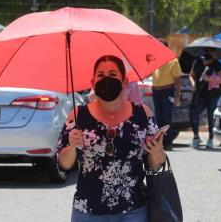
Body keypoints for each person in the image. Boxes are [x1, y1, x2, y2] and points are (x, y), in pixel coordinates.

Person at [54, 55, 166, 222]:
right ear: (93, 82)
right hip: (88, 211)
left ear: (124, 82)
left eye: (113, 74)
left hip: (133, 209)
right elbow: (62, 165)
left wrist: (157, 151)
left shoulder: (143, 114)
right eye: (101, 75)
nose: (106, 79)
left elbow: (157, 164)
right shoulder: (78, 116)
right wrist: (72, 147)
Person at [189, 48, 221, 149]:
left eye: (211, 51)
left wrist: (210, 79)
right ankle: (196, 137)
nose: (208, 53)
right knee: (193, 114)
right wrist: (193, 84)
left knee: (211, 118)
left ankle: (210, 139)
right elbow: (191, 76)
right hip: (199, 94)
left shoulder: (217, 64)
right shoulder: (197, 62)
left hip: (214, 95)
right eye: (206, 51)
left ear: (214, 53)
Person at [152, 39, 182, 151]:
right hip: (156, 91)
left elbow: (178, 80)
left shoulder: (173, 61)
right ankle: (160, 143)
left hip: (167, 91)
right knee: (158, 118)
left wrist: (177, 94)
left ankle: (168, 142)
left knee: (166, 117)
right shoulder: (154, 60)